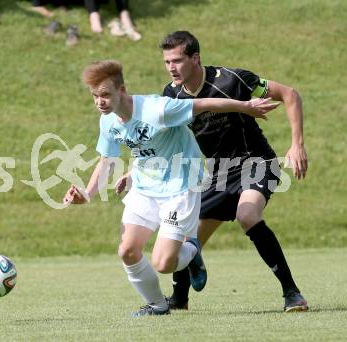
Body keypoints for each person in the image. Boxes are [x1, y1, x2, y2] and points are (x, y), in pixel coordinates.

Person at [63, 60, 279, 316]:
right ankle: (157, 305)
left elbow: (203, 104)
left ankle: (192, 250)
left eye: (106, 94)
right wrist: (87, 194)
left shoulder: (156, 109)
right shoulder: (108, 121)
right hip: (145, 188)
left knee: (164, 263)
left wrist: (245, 106)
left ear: (122, 90)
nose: (100, 101)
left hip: (179, 188)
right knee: (127, 251)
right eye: (95, 96)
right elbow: (107, 161)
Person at [158, 31, 308, 312]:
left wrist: (296, 145)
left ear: (195, 58)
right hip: (218, 172)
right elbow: (161, 138)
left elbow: (289, 94)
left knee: (247, 214)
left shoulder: (231, 80)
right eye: (167, 62)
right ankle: (179, 300)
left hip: (257, 163)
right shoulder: (171, 95)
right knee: (185, 235)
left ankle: (292, 293)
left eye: (177, 60)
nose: (171, 68)